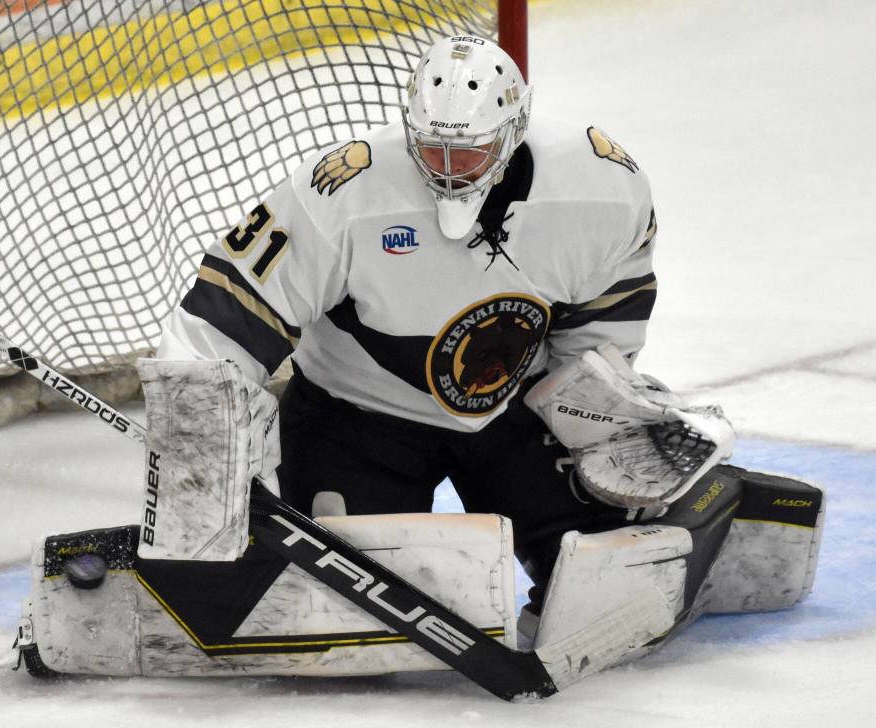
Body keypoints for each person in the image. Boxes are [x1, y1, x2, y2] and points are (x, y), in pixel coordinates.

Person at [158, 35, 663, 612]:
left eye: (469, 152)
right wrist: (200, 437)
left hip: (517, 413)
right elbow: (226, 317)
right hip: (355, 422)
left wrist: (599, 408)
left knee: (606, 582)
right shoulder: (340, 192)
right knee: (347, 608)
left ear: (513, 131)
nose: (447, 169)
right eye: (430, 148)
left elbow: (609, 311)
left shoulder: (599, 188)